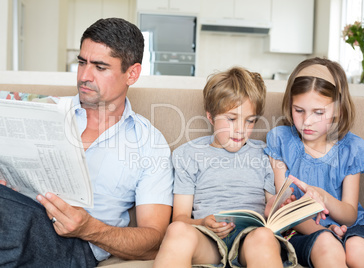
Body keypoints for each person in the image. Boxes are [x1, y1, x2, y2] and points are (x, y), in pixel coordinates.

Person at [0, 18, 173, 267]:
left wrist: (89, 228)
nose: (84, 76)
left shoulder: (149, 144)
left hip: (74, 247)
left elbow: (154, 240)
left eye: (100, 67)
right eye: (82, 63)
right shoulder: (45, 110)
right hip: (15, 218)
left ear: (132, 73)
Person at [153, 67, 299, 268]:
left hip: (251, 240)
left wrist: (278, 206)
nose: (241, 129)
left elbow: (271, 210)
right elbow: (180, 217)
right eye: (231, 119)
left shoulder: (265, 154)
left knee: (264, 237)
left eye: (250, 121)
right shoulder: (188, 155)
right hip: (208, 240)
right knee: (177, 230)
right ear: (211, 117)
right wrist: (203, 223)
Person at [265, 57, 364, 267]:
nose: (307, 121)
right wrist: (324, 231)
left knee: (357, 248)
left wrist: (325, 198)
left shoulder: (352, 148)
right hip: (303, 231)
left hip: (349, 228)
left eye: (318, 113)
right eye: (299, 110)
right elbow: (285, 210)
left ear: (337, 110)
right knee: (327, 244)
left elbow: (349, 215)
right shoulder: (281, 140)